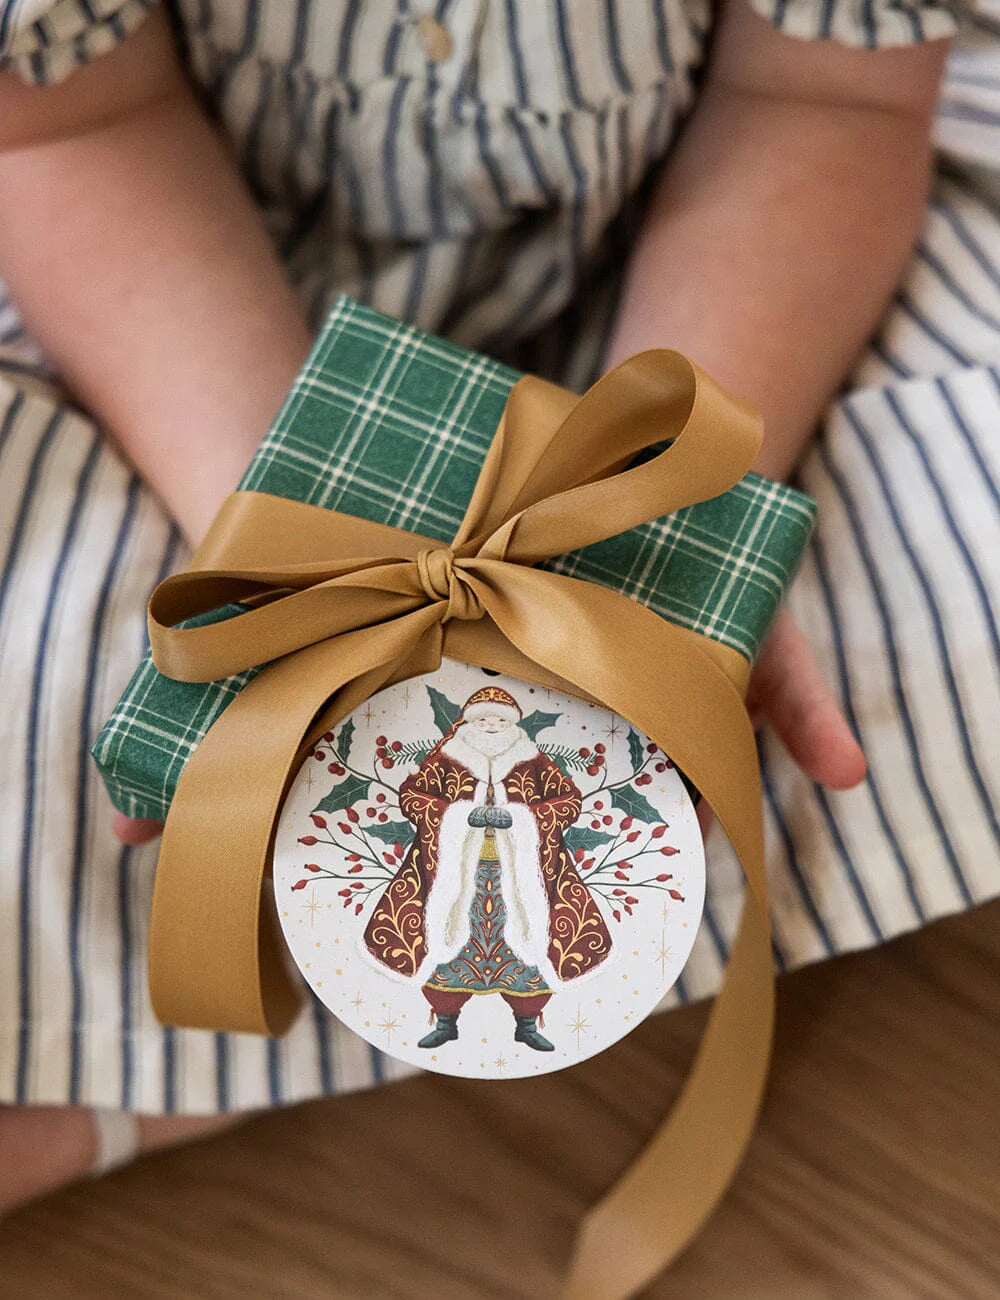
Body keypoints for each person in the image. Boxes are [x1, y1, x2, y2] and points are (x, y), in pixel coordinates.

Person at [1, 0, 997, 1217]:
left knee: (935, 600)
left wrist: (659, 547)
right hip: (196, 333)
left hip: (673, 302)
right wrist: (312, 555)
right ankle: (261, 1034)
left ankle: (164, 1073)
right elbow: (74, 122)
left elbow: (826, 100)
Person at [362, 686, 611, 1052]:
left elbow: (569, 800)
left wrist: (522, 819)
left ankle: (527, 1023)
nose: (491, 725)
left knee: (529, 939)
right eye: (483, 718)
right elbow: (413, 795)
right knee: (445, 934)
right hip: (456, 870)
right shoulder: (446, 758)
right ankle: (446, 1021)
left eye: (498, 719)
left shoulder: (533, 760)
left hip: (523, 871)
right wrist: (459, 816)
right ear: (468, 721)